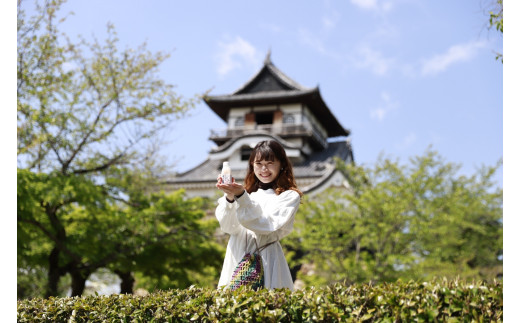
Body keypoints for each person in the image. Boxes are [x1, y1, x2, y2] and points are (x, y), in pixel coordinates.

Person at [215, 140, 303, 291]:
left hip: (266, 256)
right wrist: (230, 197)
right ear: (252, 166)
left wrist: (241, 196)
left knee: (267, 306)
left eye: (270, 163)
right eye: (258, 163)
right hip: (237, 255)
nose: (264, 169)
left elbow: (266, 225)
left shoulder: (288, 196)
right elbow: (229, 227)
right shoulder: (247, 195)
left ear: (281, 164)